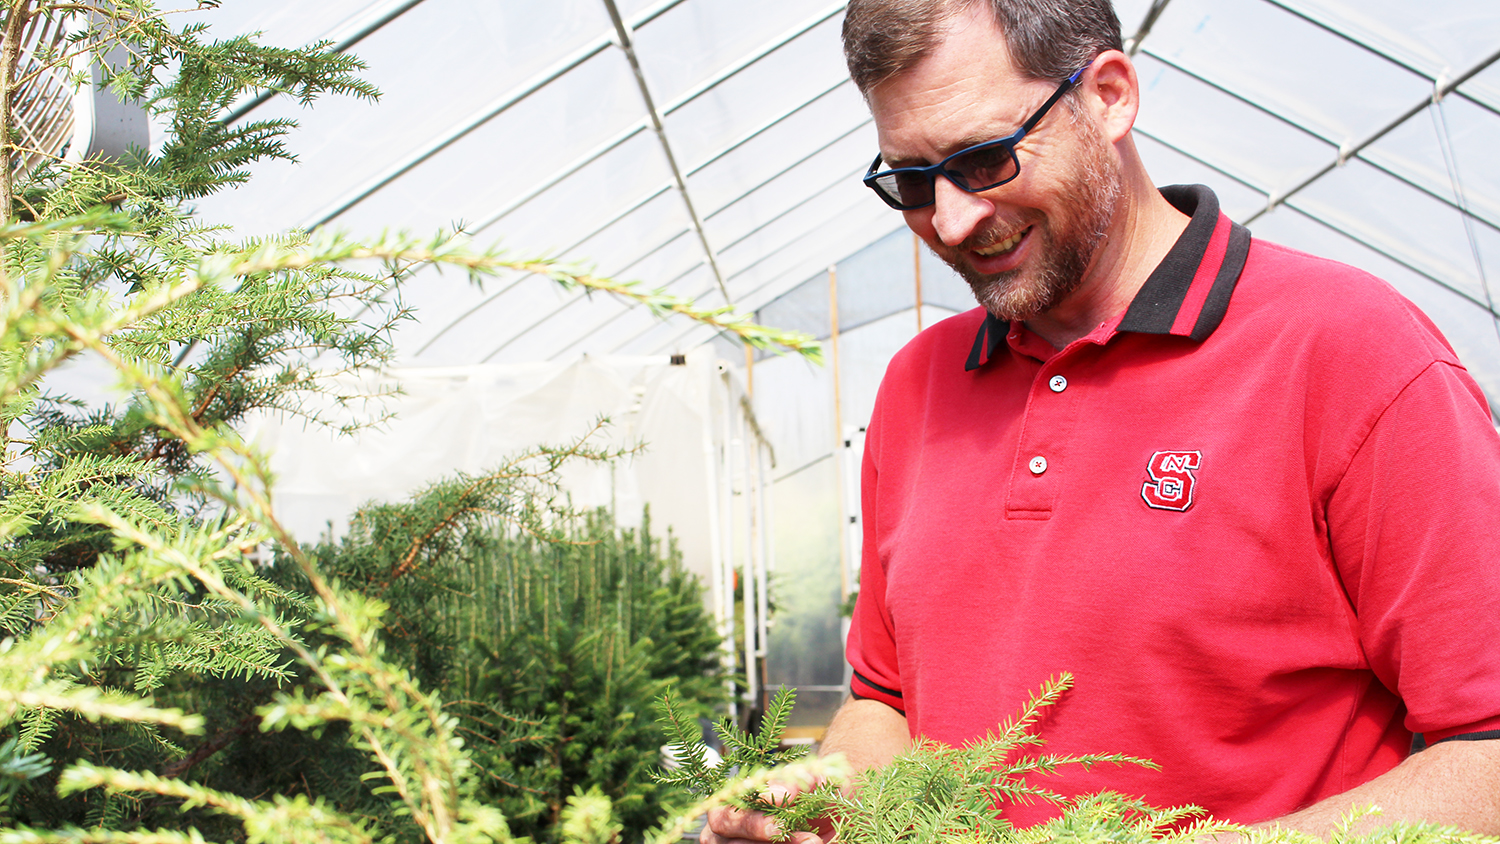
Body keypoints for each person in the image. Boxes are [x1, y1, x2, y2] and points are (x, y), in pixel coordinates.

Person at [704, 1, 1500, 842]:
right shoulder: (918, 387)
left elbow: (1486, 749)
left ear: (1111, 96)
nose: (950, 220)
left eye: (984, 159)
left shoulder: (1349, 351)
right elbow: (886, 699)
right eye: (909, 179)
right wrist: (836, 796)